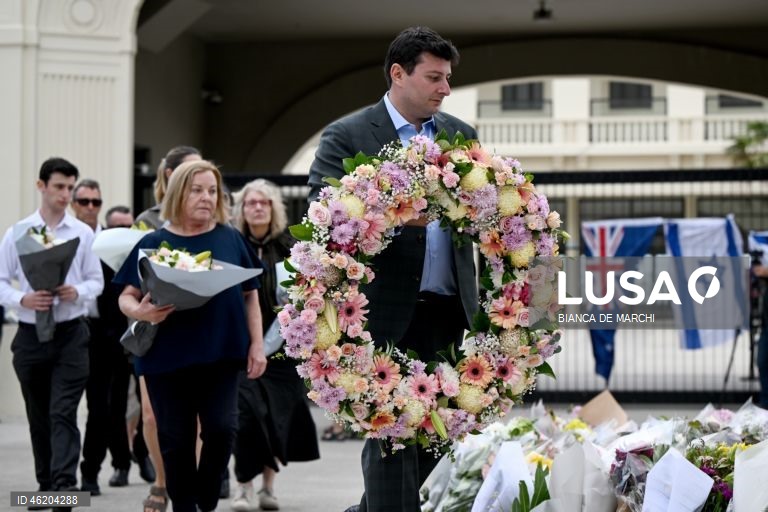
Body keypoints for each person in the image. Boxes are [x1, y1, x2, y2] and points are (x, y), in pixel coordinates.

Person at [308, 26, 479, 512]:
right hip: (381, 310)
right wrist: (394, 209)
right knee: (391, 436)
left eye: (447, 78)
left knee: (439, 433)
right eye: (434, 77)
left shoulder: (459, 135)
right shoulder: (348, 135)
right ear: (398, 74)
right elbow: (326, 217)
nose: (445, 89)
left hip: (448, 310)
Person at [114, 159, 267, 512]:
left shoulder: (230, 238)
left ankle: (206, 497)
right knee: (175, 440)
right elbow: (125, 295)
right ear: (178, 192)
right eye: (197, 190)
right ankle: (185, 506)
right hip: (166, 357)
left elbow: (250, 295)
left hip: (223, 354)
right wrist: (140, 311)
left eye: (212, 190)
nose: (206, 197)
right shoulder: (155, 241)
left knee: (221, 430)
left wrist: (257, 345)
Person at [0, 157, 104, 511]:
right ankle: (45, 486)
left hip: (71, 334)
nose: (65, 194)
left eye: (70, 188)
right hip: (30, 334)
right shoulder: (17, 233)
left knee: (63, 411)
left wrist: (77, 291)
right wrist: (22, 297)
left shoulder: (83, 233)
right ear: (41, 185)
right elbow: (0, 283)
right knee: (39, 415)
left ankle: (64, 489)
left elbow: (96, 281)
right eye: (59, 186)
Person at [230, 179, 320, 511]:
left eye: (263, 203)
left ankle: (268, 486)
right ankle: (242, 487)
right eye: (251, 202)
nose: (257, 207)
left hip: (283, 350)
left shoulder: (288, 246)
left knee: (275, 418)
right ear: (241, 209)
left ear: (273, 209)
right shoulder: (232, 244)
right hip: (241, 348)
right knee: (245, 418)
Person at [133, 145, 202, 512]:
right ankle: (161, 479)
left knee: (195, 418)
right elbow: (133, 274)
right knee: (151, 414)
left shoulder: (211, 219)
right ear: (170, 175)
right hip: (155, 326)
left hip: (197, 325)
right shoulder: (147, 220)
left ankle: (186, 486)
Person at [72, 181, 137, 496]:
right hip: (73, 334)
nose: (89, 206)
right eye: (83, 200)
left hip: (111, 338)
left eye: (95, 201)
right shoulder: (69, 239)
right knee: (81, 409)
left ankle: (93, 473)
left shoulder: (115, 246)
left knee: (107, 408)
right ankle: (58, 482)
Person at [136, 145, 202, 230]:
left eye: (202, 168)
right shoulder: (149, 219)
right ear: (170, 174)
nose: (200, 174)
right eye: (190, 170)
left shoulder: (211, 215)